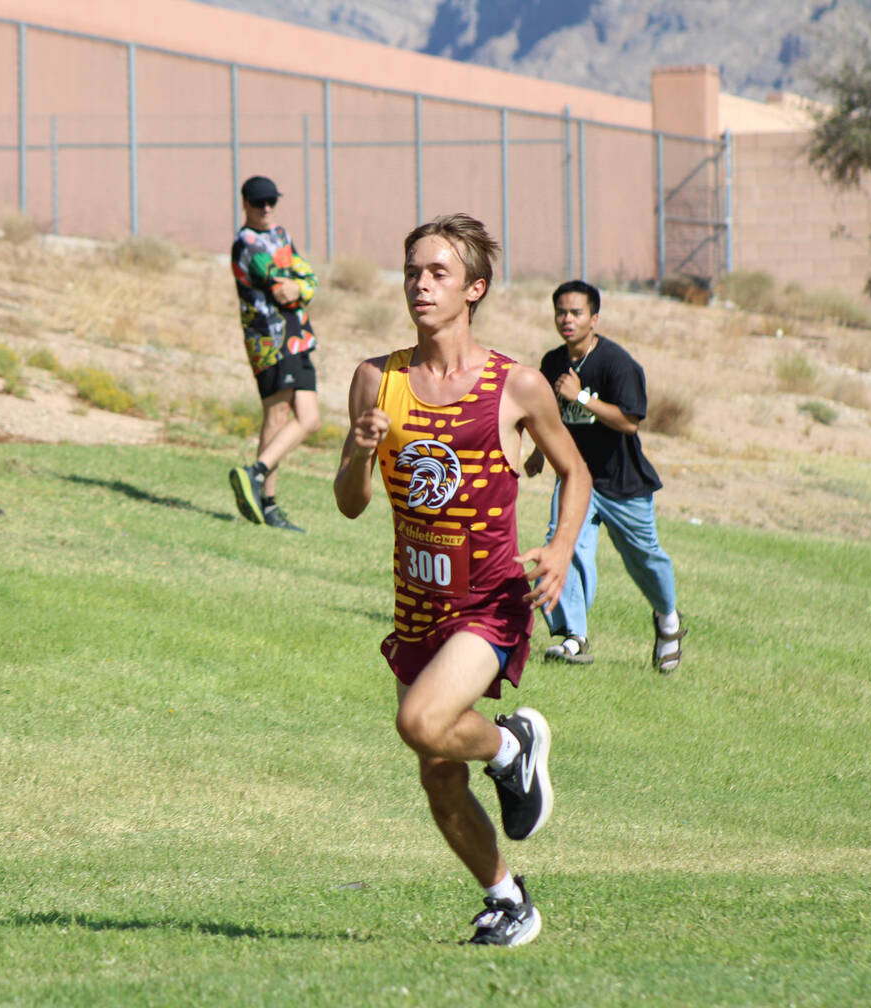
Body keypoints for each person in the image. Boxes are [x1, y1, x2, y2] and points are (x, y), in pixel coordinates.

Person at [334, 214, 591, 946]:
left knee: (419, 722)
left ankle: (513, 747)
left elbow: (576, 471)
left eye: (438, 273)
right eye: (413, 270)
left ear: (473, 289)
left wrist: (562, 547)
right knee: (438, 774)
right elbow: (351, 505)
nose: (420, 283)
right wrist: (356, 455)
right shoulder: (373, 381)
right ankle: (509, 901)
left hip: (489, 601)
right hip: (417, 608)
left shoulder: (517, 386)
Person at [524, 279, 685, 672]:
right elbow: (547, 417)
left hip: (622, 483)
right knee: (564, 546)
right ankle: (573, 637)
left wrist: (581, 397)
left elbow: (629, 422)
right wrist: (538, 454)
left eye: (576, 312)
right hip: (575, 477)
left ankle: (668, 620)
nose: (567, 319)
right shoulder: (552, 363)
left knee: (644, 559)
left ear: (593, 318)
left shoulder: (617, 364)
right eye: (561, 311)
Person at [228, 175, 321, 533]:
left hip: (298, 336)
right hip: (269, 339)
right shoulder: (246, 244)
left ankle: (255, 474)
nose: (266, 209)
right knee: (277, 415)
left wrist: (302, 284)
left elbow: (308, 278)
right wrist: (301, 284)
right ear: (246, 205)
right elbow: (284, 289)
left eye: (271, 202)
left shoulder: (280, 235)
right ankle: (267, 503)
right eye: (259, 203)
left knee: (310, 419)